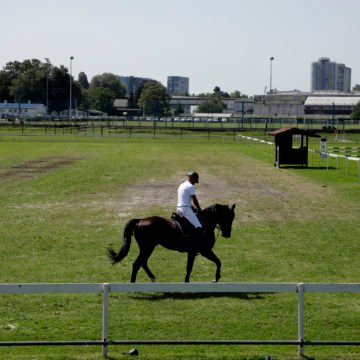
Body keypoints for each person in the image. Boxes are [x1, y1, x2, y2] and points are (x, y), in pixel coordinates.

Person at [176, 171, 202, 241]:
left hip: (178, 209)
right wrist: (199, 209)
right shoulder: (190, 186)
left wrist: (191, 207)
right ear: (190, 178)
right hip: (185, 210)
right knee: (199, 226)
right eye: (195, 180)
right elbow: (194, 200)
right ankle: (193, 245)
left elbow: (184, 198)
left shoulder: (181, 185)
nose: (195, 183)